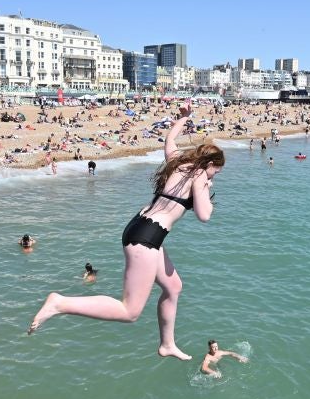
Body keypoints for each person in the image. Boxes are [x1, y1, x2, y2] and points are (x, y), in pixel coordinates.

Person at [29, 103, 224, 360]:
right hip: (145, 240)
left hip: (141, 228)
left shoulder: (178, 163)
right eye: (216, 171)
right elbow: (204, 215)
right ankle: (59, 303)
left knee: (173, 286)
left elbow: (170, 140)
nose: (215, 176)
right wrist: (206, 186)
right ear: (209, 164)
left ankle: (167, 344)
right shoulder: (199, 175)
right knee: (129, 311)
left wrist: (184, 118)